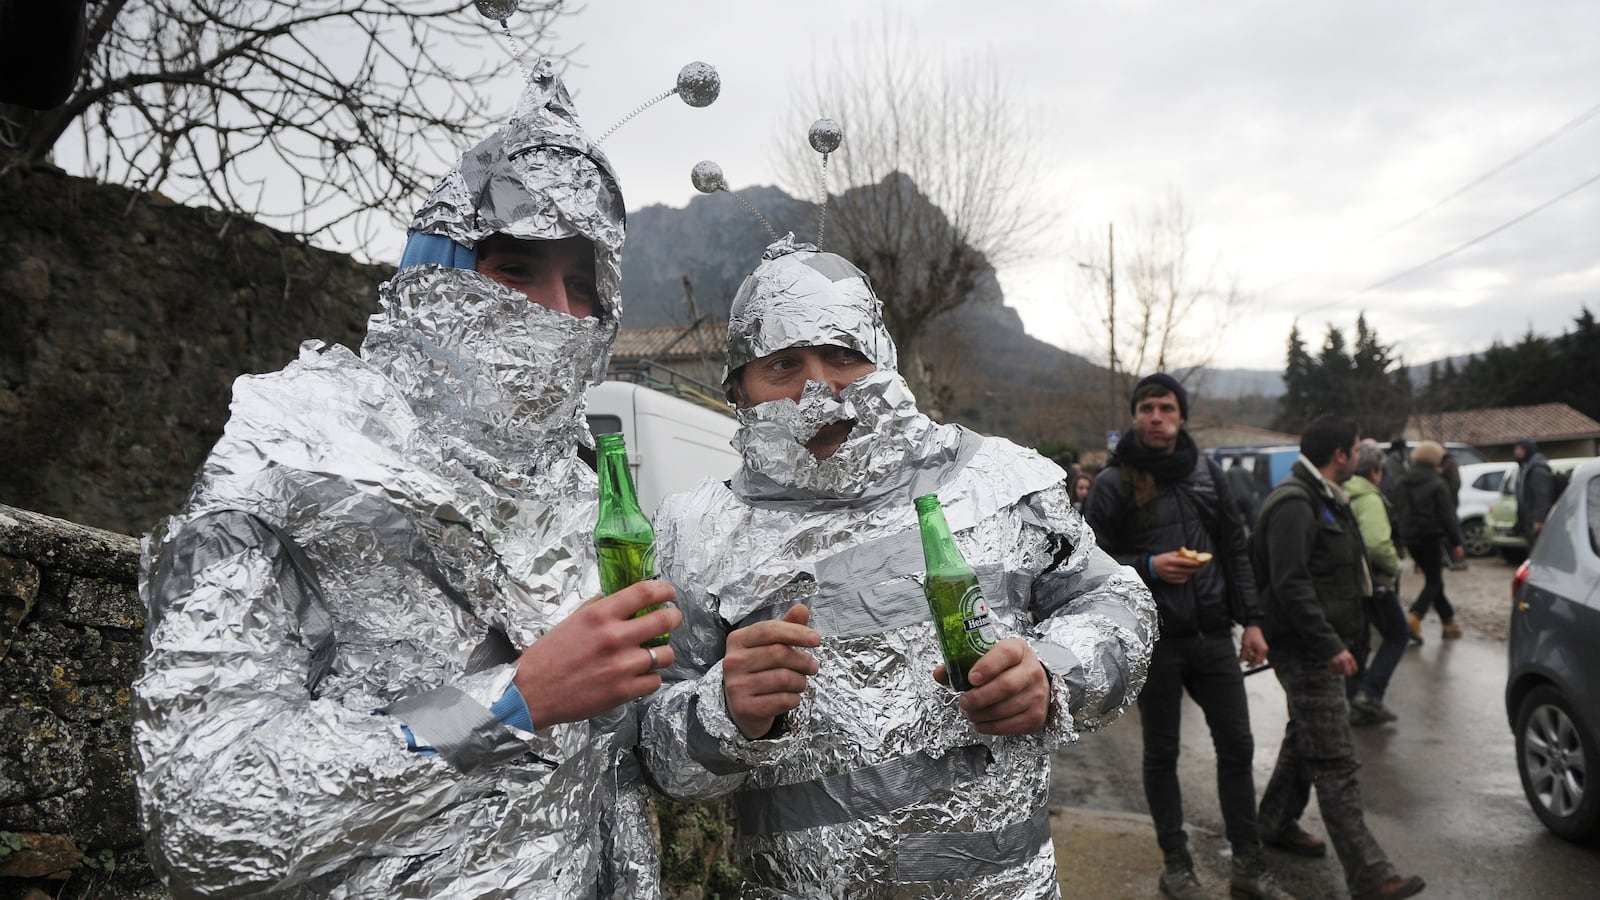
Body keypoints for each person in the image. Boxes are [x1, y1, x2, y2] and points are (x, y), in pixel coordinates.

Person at [133, 61, 684, 898]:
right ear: (436, 276)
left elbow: (612, 766)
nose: (559, 315)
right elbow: (207, 812)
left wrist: (734, 717)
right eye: (517, 271)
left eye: (584, 287)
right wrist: (510, 704)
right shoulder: (287, 462)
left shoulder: (583, 494)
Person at [639, 236, 1156, 898]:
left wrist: (1054, 675)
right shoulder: (697, 531)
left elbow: (1118, 603)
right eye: (783, 365)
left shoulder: (994, 478)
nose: (818, 390)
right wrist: (722, 711)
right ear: (739, 388)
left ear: (883, 362)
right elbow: (654, 749)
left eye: (841, 356)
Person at [1082, 373, 1295, 900]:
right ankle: (1177, 866)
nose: (1157, 417)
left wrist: (1254, 621)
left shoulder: (1207, 471)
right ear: (1135, 416)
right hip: (1153, 640)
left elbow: (1234, 549)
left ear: (1181, 416)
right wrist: (1151, 565)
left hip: (1213, 637)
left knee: (1238, 746)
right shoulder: (1114, 483)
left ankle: (1249, 865)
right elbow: (1086, 565)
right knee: (1162, 753)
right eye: (1148, 408)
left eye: (1167, 408)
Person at [1251, 415, 1426, 900]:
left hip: (1324, 644)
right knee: (1334, 760)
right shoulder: (1295, 502)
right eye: (1355, 448)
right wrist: (1330, 645)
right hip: (1308, 650)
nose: (1360, 456)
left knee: (1305, 735)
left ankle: (1275, 821)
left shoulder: (1325, 496)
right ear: (1340, 455)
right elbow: (1290, 583)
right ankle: (1371, 875)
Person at [1345, 440, 1408, 726]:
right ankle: (1369, 694)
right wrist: (1396, 566)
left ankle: (1354, 696)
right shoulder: (1369, 498)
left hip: (1352, 581)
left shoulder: (1346, 492)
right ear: (1373, 472)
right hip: (1375, 581)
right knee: (1398, 635)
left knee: (1360, 641)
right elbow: (1377, 544)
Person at [1396, 441, 1465, 643]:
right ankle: (1414, 615)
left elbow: (1398, 510)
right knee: (1434, 581)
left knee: (1434, 580)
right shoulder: (1437, 484)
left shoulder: (1402, 481)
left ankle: (1448, 623)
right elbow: (1447, 516)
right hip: (1431, 536)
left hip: (1410, 537)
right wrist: (1456, 542)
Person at [1513, 438, 1555, 547]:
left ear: (1528, 450)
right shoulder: (1524, 467)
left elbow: (1542, 496)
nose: (1517, 452)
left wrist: (1539, 520)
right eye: (1516, 449)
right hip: (1528, 520)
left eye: (1520, 449)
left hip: (1535, 522)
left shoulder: (1537, 470)